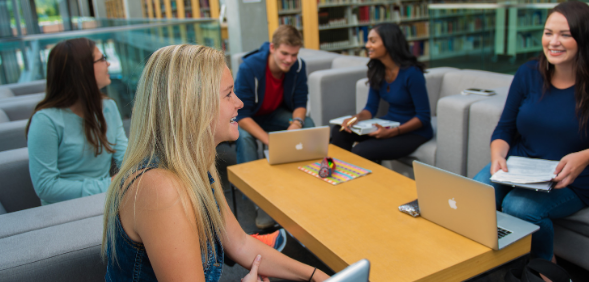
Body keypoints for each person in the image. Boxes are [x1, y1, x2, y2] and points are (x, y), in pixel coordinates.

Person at [102, 44, 329, 282]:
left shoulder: (197, 163)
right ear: (193, 105)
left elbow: (240, 243)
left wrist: (316, 275)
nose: (239, 103)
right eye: (228, 94)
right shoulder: (160, 188)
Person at [472, 1, 589, 263]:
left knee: (519, 207)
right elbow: (504, 128)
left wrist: (584, 157)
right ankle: (483, 263)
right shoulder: (528, 72)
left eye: (565, 34)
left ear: (585, 38)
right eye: (548, 32)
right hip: (523, 166)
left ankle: (547, 271)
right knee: (477, 193)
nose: (553, 42)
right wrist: (497, 155)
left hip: (582, 176)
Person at [27, 38, 128, 205]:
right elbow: (45, 187)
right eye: (102, 59)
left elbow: (125, 155)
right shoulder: (45, 121)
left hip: (105, 200)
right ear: (81, 69)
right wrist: (109, 185)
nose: (108, 64)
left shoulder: (109, 107)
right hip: (66, 211)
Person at [330, 23, 433, 164]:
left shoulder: (411, 73)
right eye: (368, 40)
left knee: (361, 151)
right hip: (389, 124)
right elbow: (370, 108)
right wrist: (355, 119)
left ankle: (365, 182)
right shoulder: (377, 70)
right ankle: (340, 173)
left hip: (413, 132)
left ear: (389, 43)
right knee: (339, 131)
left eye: (373, 41)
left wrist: (392, 132)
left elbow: (423, 117)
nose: (367, 45)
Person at [234, 25, 315, 164]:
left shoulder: (298, 66)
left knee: (306, 123)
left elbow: (300, 103)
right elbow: (241, 115)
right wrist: (271, 141)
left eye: (294, 55)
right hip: (248, 118)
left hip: (273, 114)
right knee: (244, 138)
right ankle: (249, 181)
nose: (289, 60)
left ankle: (306, 172)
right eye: (284, 53)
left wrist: (296, 124)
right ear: (272, 48)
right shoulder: (249, 68)